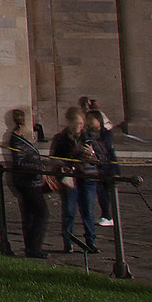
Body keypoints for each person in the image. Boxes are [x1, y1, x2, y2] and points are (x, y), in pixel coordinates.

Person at [4, 107, 51, 258]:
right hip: (28, 182)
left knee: (30, 215)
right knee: (41, 213)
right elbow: (20, 162)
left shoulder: (21, 140)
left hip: (29, 181)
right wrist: (39, 167)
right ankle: (34, 247)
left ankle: (31, 247)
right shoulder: (17, 140)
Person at [50, 106, 97, 254]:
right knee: (69, 211)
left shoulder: (89, 137)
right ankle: (68, 242)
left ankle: (91, 241)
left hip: (86, 178)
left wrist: (92, 154)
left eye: (81, 123)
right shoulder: (60, 139)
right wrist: (71, 157)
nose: (79, 126)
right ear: (69, 122)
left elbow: (101, 159)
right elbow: (54, 159)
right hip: (69, 179)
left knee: (88, 212)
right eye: (77, 123)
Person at [86, 109, 119, 227]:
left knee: (106, 192)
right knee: (101, 192)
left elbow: (107, 148)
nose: (88, 122)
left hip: (107, 166)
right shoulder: (88, 133)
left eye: (91, 119)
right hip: (97, 166)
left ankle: (108, 216)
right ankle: (105, 215)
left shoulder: (106, 133)